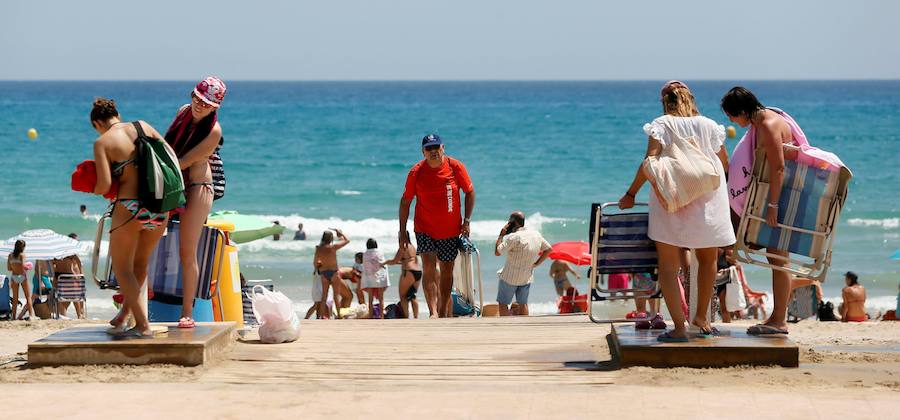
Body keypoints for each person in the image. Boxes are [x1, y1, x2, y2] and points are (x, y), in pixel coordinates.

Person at [620, 81, 735, 342]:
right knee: (708, 261)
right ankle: (701, 317)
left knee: (669, 268)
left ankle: (680, 329)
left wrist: (631, 193)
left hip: (672, 201)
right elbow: (724, 162)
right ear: (691, 100)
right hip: (708, 200)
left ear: (665, 102)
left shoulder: (661, 124)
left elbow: (649, 161)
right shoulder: (708, 125)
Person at [721, 86, 800, 335]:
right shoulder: (765, 121)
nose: (732, 121)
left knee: (779, 260)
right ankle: (777, 318)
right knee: (777, 259)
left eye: (732, 116)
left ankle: (780, 320)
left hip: (779, 197)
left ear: (743, 112)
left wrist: (773, 206)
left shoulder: (767, 124)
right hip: (777, 195)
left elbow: (778, 168)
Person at [90, 97, 170, 337]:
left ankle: (144, 326)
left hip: (130, 208)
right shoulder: (143, 126)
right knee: (140, 264)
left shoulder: (102, 142)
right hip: (159, 206)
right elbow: (169, 158)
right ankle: (125, 315)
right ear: (118, 115)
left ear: (97, 123)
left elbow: (104, 186)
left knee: (123, 268)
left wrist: (90, 186)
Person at [163, 76, 226, 329]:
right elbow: (168, 147)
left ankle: (186, 311)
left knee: (187, 252)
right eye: (198, 99)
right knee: (146, 241)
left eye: (207, 103)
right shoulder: (182, 113)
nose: (200, 105)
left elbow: (184, 161)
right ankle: (133, 303)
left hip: (198, 188)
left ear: (215, 108)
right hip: (172, 182)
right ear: (192, 95)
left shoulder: (214, 131)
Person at [399, 134, 475, 318]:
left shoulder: (455, 167)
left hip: (450, 230)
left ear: (443, 148)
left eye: (436, 147)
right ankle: (433, 311)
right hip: (424, 228)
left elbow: (470, 192)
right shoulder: (416, 172)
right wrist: (402, 231)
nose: (433, 151)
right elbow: (405, 201)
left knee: (447, 270)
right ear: (423, 152)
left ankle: (442, 310)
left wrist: (467, 221)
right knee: (429, 267)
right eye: (429, 149)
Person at [494, 212, 552, 317]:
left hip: (509, 277)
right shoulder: (535, 234)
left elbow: (498, 252)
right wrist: (537, 263)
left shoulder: (514, 237)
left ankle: (504, 326)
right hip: (526, 276)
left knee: (503, 303)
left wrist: (501, 235)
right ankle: (524, 327)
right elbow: (549, 249)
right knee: (523, 303)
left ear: (513, 223)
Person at [313, 229, 350, 318]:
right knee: (336, 296)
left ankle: (322, 316)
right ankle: (339, 316)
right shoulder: (333, 247)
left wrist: (317, 268)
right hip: (334, 273)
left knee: (324, 296)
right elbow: (347, 240)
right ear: (331, 238)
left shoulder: (318, 248)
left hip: (323, 273)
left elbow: (315, 261)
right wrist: (341, 233)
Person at [385, 231, 422, 319]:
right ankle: (416, 317)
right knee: (412, 295)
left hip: (408, 272)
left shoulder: (403, 246)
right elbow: (411, 260)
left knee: (403, 296)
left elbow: (394, 261)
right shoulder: (412, 247)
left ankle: (406, 317)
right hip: (418, 272)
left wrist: (384, 263)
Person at [361, 239, 390, 319]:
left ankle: (370, 316)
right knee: (381, 299)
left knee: (370, 299)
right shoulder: (380, 253)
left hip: (369, 279)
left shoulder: (365, 254)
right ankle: (382, 316)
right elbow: (383, 265)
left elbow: (365, 267)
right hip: (380, 278)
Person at [7, 240, 34, 320]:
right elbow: (23, 266)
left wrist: (15, 266)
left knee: (15, 298)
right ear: (22, 247)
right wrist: (29, 266)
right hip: (22, 276)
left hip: (14, 277)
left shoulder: (10, 255)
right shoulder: (22, 255)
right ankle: (31, 316)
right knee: (28, 297)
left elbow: (9, 268)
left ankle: (13, 317)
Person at [52, 254, 85, 319]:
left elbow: (78, 261)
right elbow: (78, 261)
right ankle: (77, 315)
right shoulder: (66, 252)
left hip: (62, 275)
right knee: (71, 297)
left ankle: (77, 314)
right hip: (63, 275)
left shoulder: (60, 252)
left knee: (68, 296)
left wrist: (80, 273)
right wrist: (80, 274)